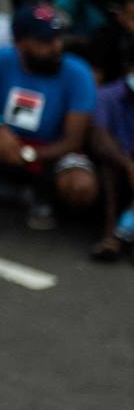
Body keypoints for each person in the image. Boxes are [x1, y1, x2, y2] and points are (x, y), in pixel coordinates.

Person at [0, 3, 98, 243]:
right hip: (5, 141)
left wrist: (28, 154)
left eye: (57, 38)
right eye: (45, 41)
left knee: (81, 187)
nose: (55, 46)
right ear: (20, 43)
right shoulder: (2, 58)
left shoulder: (77, 72)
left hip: (51, 152)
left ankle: (40, 196)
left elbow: (73, 140)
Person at [86, 43, 134, 262]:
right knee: (109, 163)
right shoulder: (107, 96)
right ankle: (111, 234)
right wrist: (128, 164)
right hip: (118, 172)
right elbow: (99, 140)